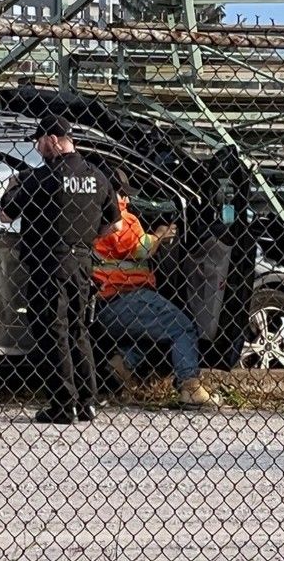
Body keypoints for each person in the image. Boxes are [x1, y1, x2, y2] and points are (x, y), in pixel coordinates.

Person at [0, 116, 122, 425]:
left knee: (52, 332)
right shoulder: (97, 176)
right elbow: (115, 225)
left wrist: (13, 186)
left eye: (39, 141)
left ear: (53, 140)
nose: (37, 148)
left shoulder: (40, 179)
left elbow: (5, 215)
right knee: (78, 330)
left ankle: (63, 404)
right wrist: (85, 239)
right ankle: (87, 401)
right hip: (81, 263)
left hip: (48, 264)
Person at [92, 169, 222, 408]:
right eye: (123, 194)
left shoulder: (89, 213)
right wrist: (161, 233)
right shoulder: (121, 218)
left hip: (103, 303)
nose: (127, 199)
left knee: (155, 332)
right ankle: (189, 386)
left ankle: (120, 367)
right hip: (126, 297)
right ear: (112, 193)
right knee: (182, 328)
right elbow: (142, 249)